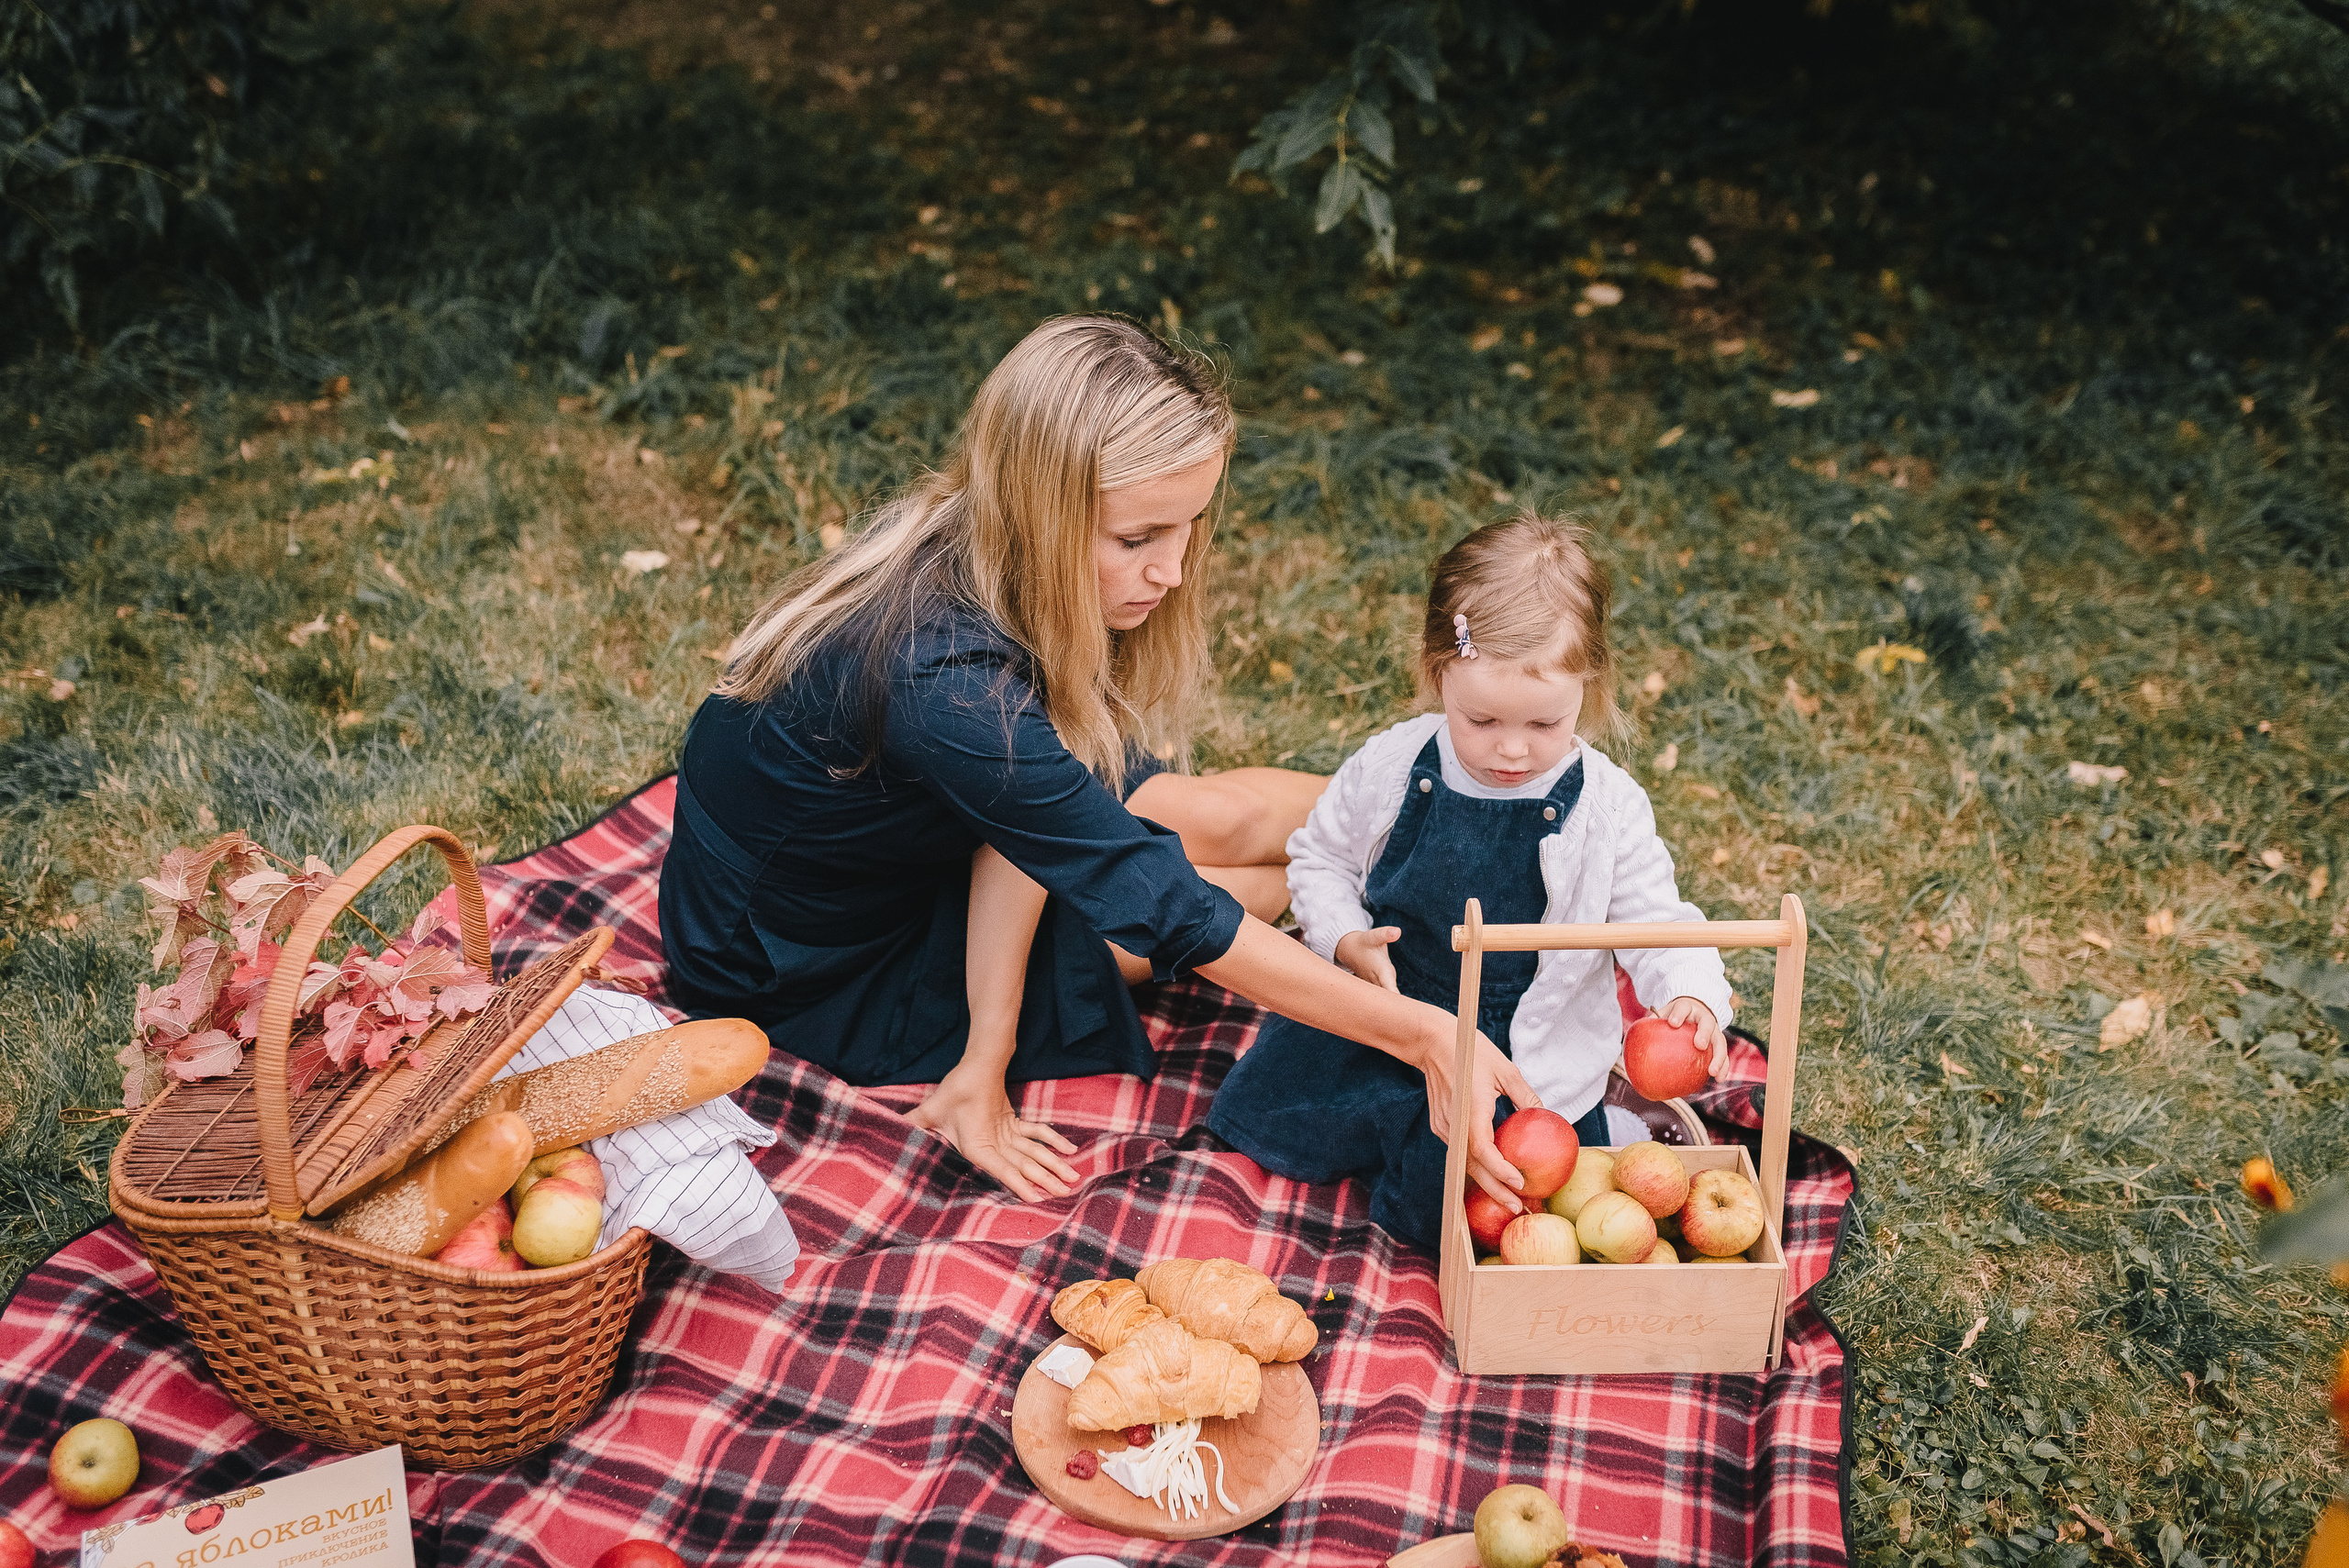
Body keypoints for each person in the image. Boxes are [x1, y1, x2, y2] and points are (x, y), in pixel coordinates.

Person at [660, 317, 1516, 1207]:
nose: (1172, 571)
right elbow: (1158, 899)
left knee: (1225, 822)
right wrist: (1421, 1032)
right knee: (1230, 893)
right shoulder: (945, 681)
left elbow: (1017, 821)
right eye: (1139, 539)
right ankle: (1416, 873)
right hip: (817, 957)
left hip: (936, 832)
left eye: (1188, 526)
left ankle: (1485, 812)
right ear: (1042, 510)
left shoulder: (997, 560)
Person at [1206, 515, 1734, 1251]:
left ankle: (1599, 1118)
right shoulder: (1392, 766)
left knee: (1470, 1190)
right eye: (1481, 719)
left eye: (1544, 724)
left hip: (1522, 1060)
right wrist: (1345, 936)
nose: (1512, 749)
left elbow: (1658, 920)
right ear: (1438, 675)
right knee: (1290, 1113)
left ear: (1588, 688)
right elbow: (1319, 859)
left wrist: (1690, 992)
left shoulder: (1607, 807)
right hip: (1389, 1020)